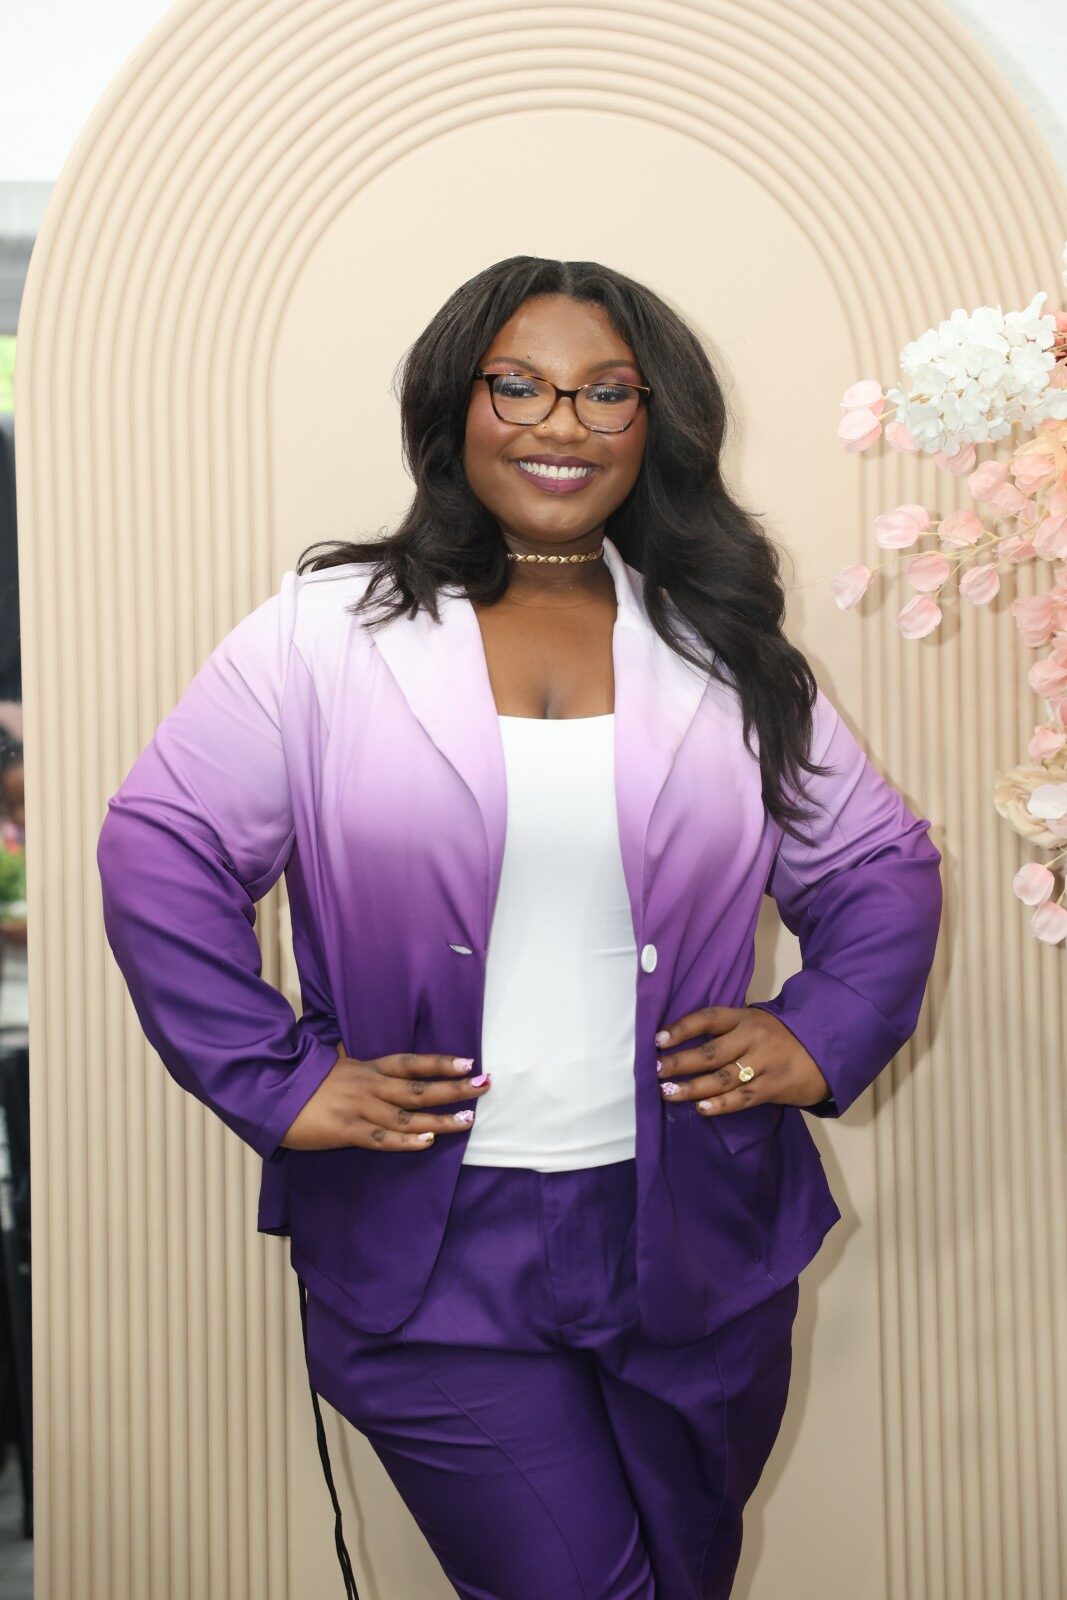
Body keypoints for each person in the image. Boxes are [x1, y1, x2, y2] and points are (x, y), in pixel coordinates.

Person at [96, 256, 943, 1600]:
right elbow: (165, 845)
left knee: (683, 1580)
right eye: (521, 387)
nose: (563, 424)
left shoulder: (726, 650)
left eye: (607, 393)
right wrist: (279, 1077)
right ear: (457, 405)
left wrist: (820, 1029)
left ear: (654, 422)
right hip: (425, 1249)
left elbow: (879, 864)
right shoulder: (323, 635)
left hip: (698, 1237)